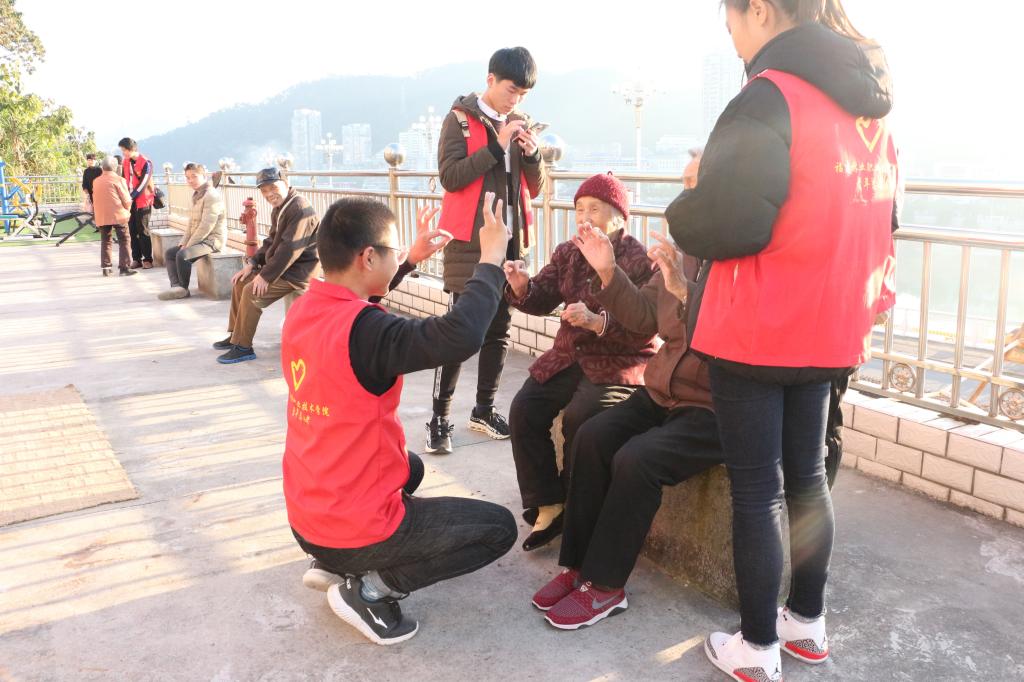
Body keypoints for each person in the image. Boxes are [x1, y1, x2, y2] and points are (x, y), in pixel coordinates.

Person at [666, 2, 898, 679]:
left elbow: (729, 224)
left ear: (761, 11)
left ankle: (758, 647)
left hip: (758, 329)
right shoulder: (870, 109)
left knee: (758, 492)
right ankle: (807, 625)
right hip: (832, 325)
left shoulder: (770, 95)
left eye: (732, 22)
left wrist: (690, 195)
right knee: (807, 479)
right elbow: (885, 218)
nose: (734, 39)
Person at [283, 194, 517, 645]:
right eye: (392, 250)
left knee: (412, 467)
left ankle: (332, 561)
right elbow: (459, 336)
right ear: (368, 257)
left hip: (307, 516)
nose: (397, 256)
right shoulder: (368, 332)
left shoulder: (305, 309)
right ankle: (371, 590)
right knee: (496, 530)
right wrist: (490, 259)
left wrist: (409, 260)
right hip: (350, 527)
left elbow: (359, 308)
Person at [505, 172, 656, 551]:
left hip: (618, 360)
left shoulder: (638, 259)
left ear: (619, 216)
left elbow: (647, 328)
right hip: (569, 355)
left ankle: (577, 507)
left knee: (580, 418)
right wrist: (522, 287)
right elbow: (542, 296)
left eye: (595, 209)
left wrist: (598, 322)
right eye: (579, 209)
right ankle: (549, 502)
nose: (585, 217)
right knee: (524, 409)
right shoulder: (568, 252)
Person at [426, 46, 546, 454]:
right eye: (512, 90)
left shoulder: (520, 122)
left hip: (511, 240)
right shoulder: (459, 119)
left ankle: (484, 410)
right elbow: (451, 177)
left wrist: (533, 155)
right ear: (491, 80)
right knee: (459, 332)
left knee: (498, 331)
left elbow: (536, 187)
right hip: (471, 243)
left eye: (523, 95)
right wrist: (497, 145)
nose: (516, 100)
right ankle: (439, 417)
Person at [213, 167, 320, 364]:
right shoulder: (282, 206)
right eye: (264, 190)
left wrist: (265, 276)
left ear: (286, 184)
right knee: (241, 282)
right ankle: (236, 335)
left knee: (251, 292)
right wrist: (253, 264)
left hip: (297, 273)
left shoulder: (299, 208)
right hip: (283, 268)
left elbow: (290, 249)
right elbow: (271, 241)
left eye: (273, 187)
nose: (269, 194)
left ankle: (243, 347)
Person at [157, 163, 226, 300]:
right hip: (201, 239)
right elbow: (191, 224)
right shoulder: (198, 195)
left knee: (182, 255)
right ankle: (176, 287)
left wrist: (189, 245)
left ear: (203, 176)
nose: (190, 180)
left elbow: (207, 225)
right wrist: (184, 242)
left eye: (194, 176)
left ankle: (183, 289)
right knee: (170, 253)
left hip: (212, 241)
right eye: (187, 177)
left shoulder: (211, 195)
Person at [91, 156, 137, 277]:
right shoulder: (119, 180)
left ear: (102, 167)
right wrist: (127, 211)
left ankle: (106, 268)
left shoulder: (96, 181)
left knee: (106, 240)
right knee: (124, 240)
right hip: (118, 214)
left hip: (102, 215)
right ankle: (124, 268)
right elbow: (126, 200)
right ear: (116, 167)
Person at [118, 138, 155, 269]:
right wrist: (124, 197)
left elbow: (143, 184)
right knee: (132, 230)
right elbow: (123, 180)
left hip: (143, 200)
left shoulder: (146, 163)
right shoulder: (126, 162)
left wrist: (130, 197)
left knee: (143, 230)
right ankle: (136, 259)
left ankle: (148, 259)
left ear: (132, 149)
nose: (123, 153)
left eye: (124, 150)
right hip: (130, 201)